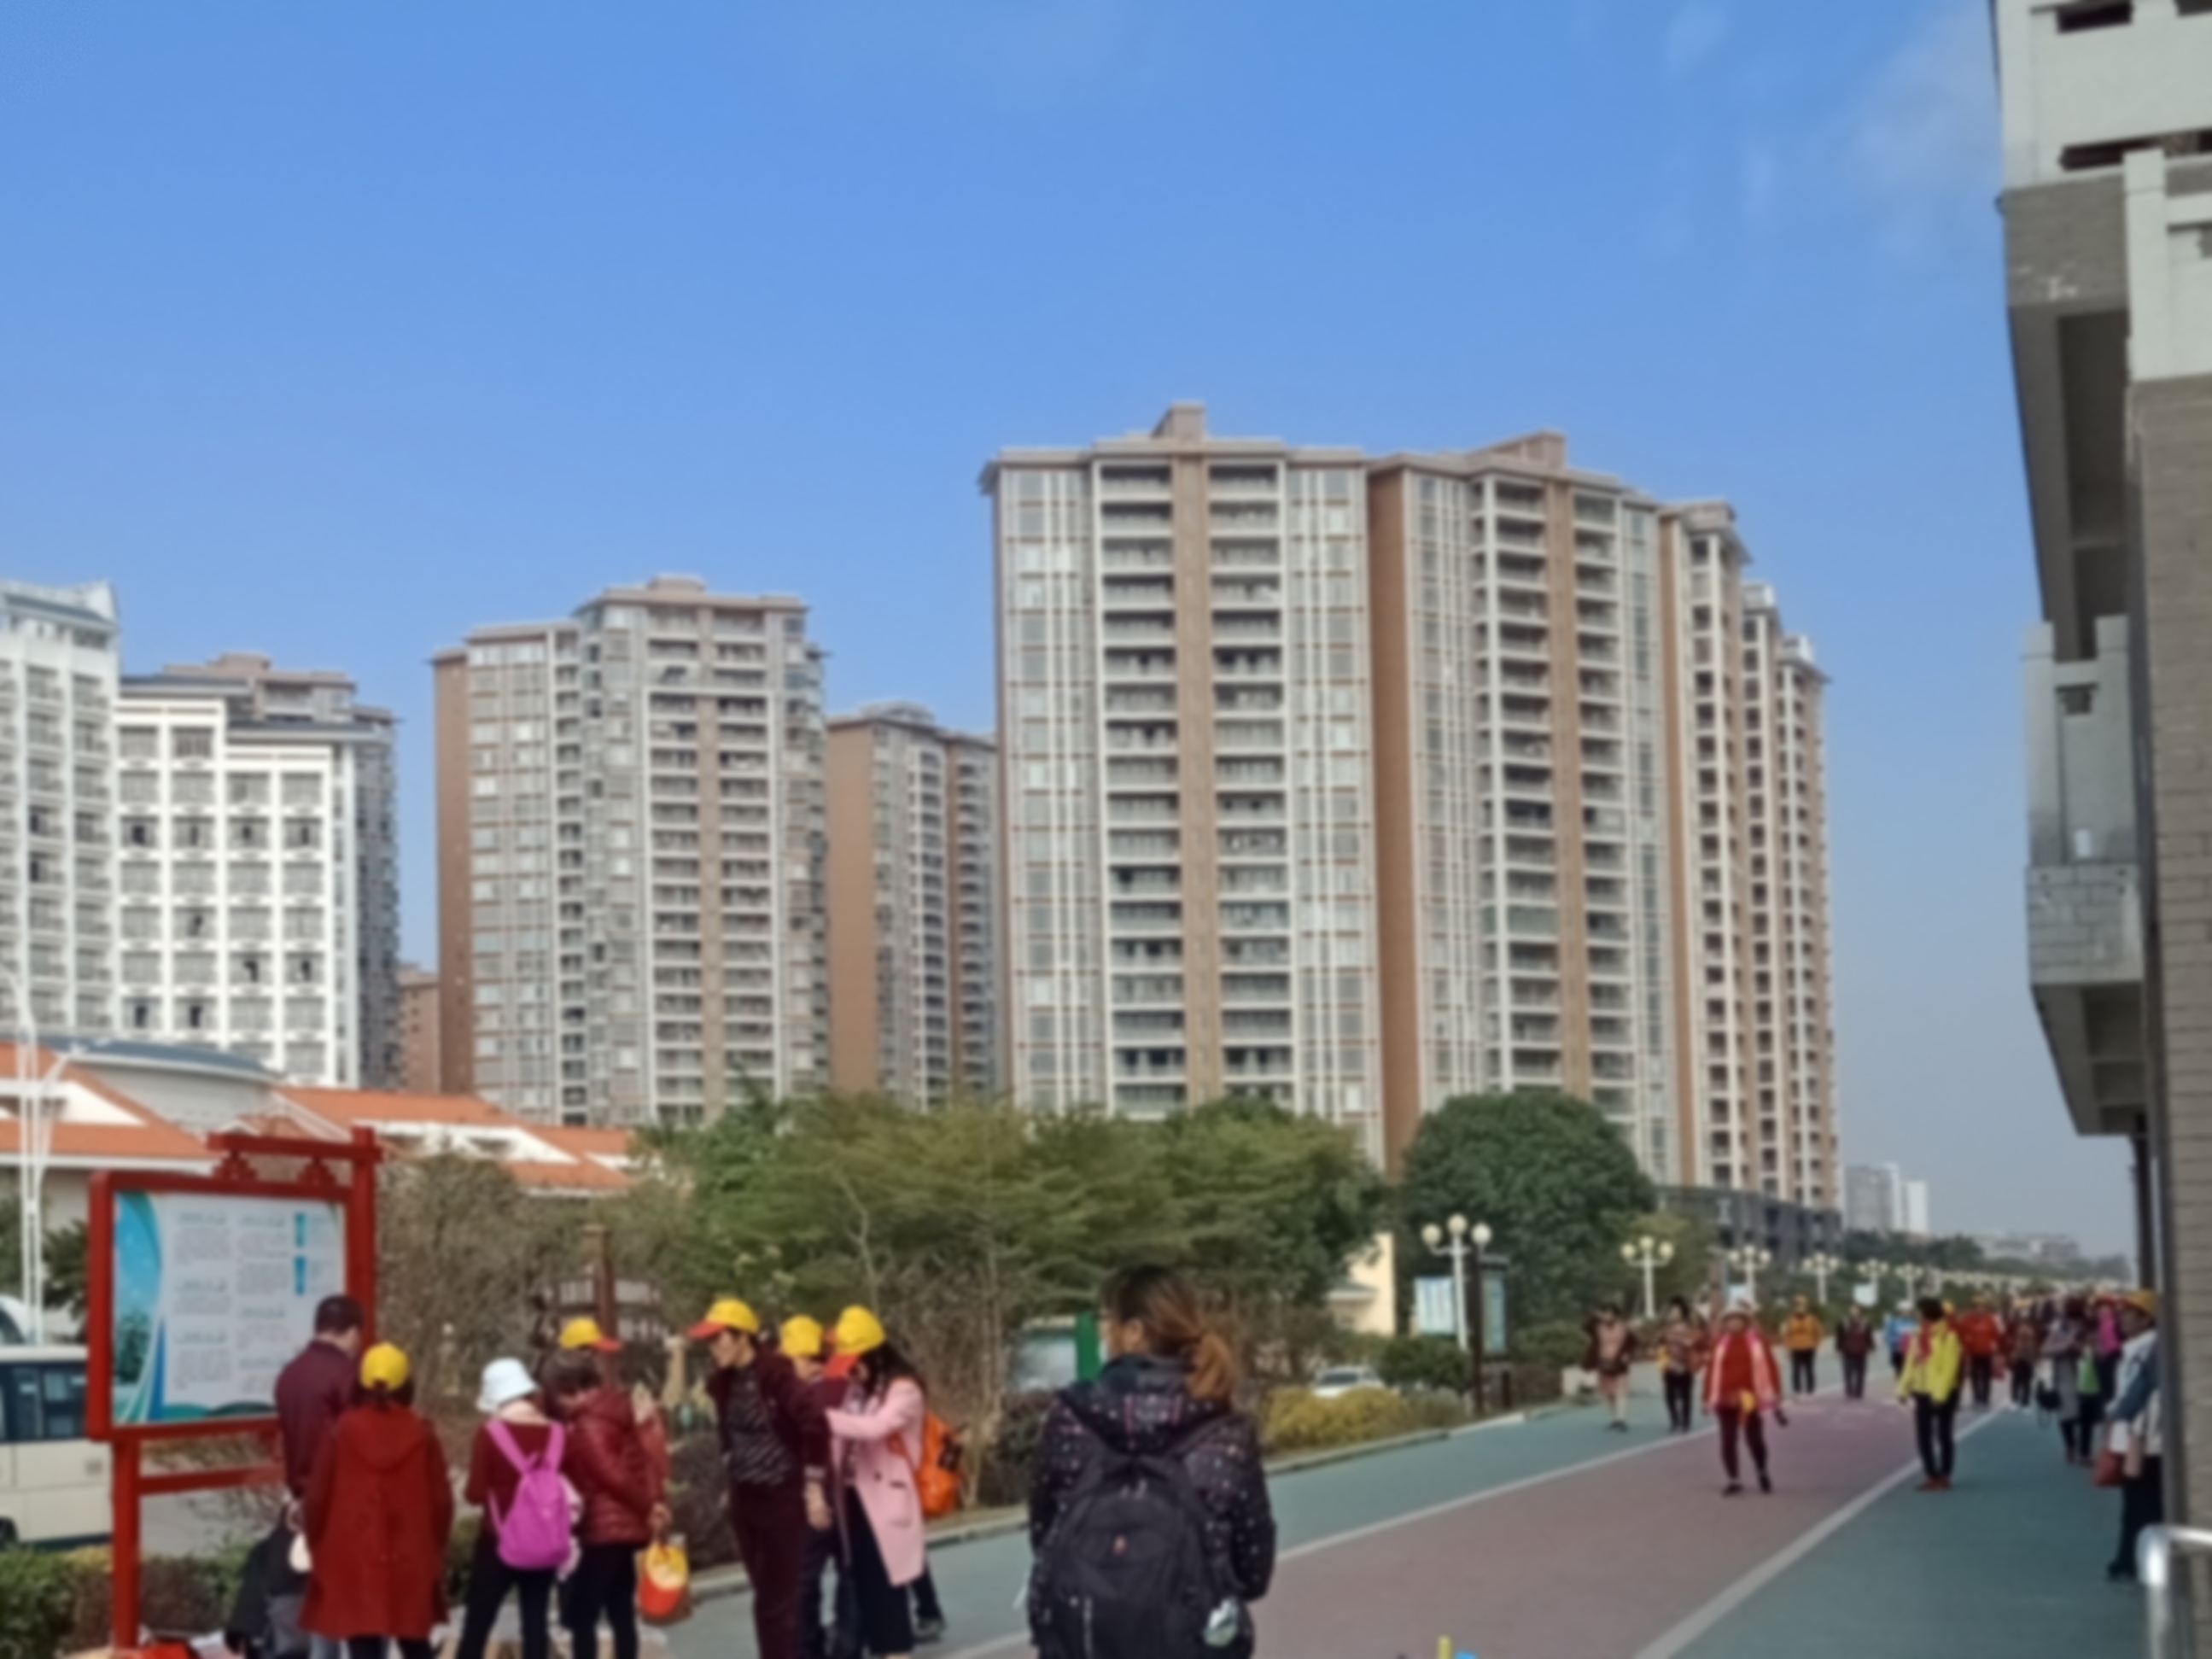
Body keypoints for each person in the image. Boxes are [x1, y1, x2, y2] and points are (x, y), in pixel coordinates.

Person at [1028, 1265, 1275, 1659]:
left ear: (1134, 1331)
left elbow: (1045, 1534)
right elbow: (1253, 1571)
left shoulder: (1071, 1416)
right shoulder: (1224, 1430)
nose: (1104, 1334)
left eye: (1108, 1321)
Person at [691, 1298, 833, 1659]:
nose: (713, 1348)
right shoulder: (724, 1383)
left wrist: (813, 1488)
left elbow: (815, 1425)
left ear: (743, 1337)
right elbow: (727, 1434)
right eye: (709, 1341)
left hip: (781, 1498)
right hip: (745, 1499)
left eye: (720, 1338)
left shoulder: (776, 1376)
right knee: (769, 1597)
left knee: (773, 1606)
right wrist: (731, 1472)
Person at [301, 1343, 454, 1659]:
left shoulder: (340, 1431)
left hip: (352, 1554)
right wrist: (435, 1549)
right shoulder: (423, 1434)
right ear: (406, 1385)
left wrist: (318, 1546)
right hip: (410, 1554)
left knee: (362, 1643)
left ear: (360, 1384)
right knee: (415, 1642)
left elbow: (316, 1498)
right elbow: (442, 1503)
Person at [546, 1348, 668, 1659]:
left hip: (603, 1527)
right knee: (620, 1610)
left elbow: (609, 1474)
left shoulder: (588, 1423)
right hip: (626, 1527)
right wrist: (649, 1503)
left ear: (569, 1388)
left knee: (582, 1614)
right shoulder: (615, 1409)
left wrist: (647, 1505)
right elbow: (639, 1461)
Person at [820, 1307, 929, 1659]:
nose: (850, 1372)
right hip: (854, 1499)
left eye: (855, 1363)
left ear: (874, 1355)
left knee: (888, 1595)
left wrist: (821, 1417)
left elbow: (875, 1428)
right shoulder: (859, 1391)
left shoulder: (904, 1391)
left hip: (886, 1502)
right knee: (867, 1589)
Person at [455, 1358, 563, 1659]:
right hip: (544, 1540)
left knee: (477, 1624)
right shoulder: (557, 1433)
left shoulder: (490, 1434)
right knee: (535, 1624)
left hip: (498, 1539)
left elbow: (475, 1493)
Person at [783, 1317, 858, 1659]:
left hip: (813, 1494)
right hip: (850, 1493)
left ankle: (807, 1648)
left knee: (803, 1579)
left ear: (805, 1357)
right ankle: (847, 1646)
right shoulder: (847, 1389)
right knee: (850, 1572)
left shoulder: (799, 1397)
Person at [2105, 1291, 2162, 1583]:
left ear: (2147, 1319)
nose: (2122, 1318)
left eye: (2130, 1312)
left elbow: (2133, 1396)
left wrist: (2114, 1412)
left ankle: (2131, 1561)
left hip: (2143, 1437)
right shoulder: (2135, 1349)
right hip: (2136, 1436)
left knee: (2140, 1505)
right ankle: (2129, 1559)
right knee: (2136, 1505)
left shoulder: (2149, 1349)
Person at [1900, 1296, 1964, 1492]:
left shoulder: (1948, 1337)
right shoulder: (1917, 1336)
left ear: (1928, 1314)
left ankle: (1944, 1474)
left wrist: (1940, 1395)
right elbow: (1910, 1363)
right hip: (1922, 1390)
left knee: (1943, 1435)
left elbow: (1949, 1368)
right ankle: (1931, 1474)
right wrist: (1902, 1388)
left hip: (1943, 1392)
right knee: (1923, 1435)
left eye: (1919, 1312)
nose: (1917, 1316)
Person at [1583, 1304, 1637, 1432]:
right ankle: (1615, 1417)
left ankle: (1621, 1419)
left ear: (1615, 1315)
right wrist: (1594, 1316)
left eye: (1610, 1313)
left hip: (1620, 1363)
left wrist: (1627, 1354)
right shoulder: (1598, 1327)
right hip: (1604, 1363)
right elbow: (1585, 1327)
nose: (1607, 1316)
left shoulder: (1624, 1327)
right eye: (1605, 1313)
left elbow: (1634, 1342)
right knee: (1608, 1392)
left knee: (1620, 1391)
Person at [1655, 1298, 1703, 1434]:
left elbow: (1697, 1340)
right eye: (1671, 1311)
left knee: (1686, 1395)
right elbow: (1658, 1343)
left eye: (1676, 1311)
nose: (1672, 1314)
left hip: (1685, 1363)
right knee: (1669, 1395)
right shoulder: (1665, 1328)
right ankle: (1674, 1420)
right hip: (1669, 1364)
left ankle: (1686, 1422)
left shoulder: (1689, 1327)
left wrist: (1688, 1343)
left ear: (1682, 1313)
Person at [1956, 1296, 2003, 1411]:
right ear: (1973, 1308)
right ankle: (1976, 1398)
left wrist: (1995, 1346)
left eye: (1982, 1307)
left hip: (1987, 1352)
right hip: (1973, 1353)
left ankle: (1985, 1399)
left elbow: (1997, 1334)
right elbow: (1962, 1333)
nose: (1980, 1309)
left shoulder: (1990, 1319)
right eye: (1977, 1307)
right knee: (1974, 1377)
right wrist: (1966, 1345)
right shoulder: (1968, 1319)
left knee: (1986, 1377)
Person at [1782, 1298, 1824, 1397]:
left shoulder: (1812, 1319)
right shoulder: (1790, 1319)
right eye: (1797, 1306)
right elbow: (1786, 1334)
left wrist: (1817, 1344)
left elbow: (1819, 1332)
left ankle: (1810, 1389)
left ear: (1805, 1307)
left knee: (1809, 1369)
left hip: (1809, 1347)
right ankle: (1797, 1389)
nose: (1800, 1308)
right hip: (1795, 1348)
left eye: (1802, 1306)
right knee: (1796, 1370)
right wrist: (1787, 1348)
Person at [2006, 1303, 2042, 1411]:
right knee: (2019, 1379)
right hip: (2021, 1356)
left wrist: (2036, 1356)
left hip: (2027, 1356)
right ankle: (2017, 1400)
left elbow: (2036, 1343)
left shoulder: (2032, 1328)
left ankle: (2023, 1401)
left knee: (2024, 1380)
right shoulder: (2017, 1327)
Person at [1882, 1301, 1914, 1378]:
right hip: (1897, 1351)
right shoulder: (1893, 1323)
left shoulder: (1912, 1323)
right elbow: (1887, 1337)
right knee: (1899, 1372)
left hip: (1909, 1352)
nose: (1905, 1313)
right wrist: (1900, 1339)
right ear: (1900, 1311)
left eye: (1907, 1311)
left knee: (1909, 1374)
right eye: (1904, 1311)